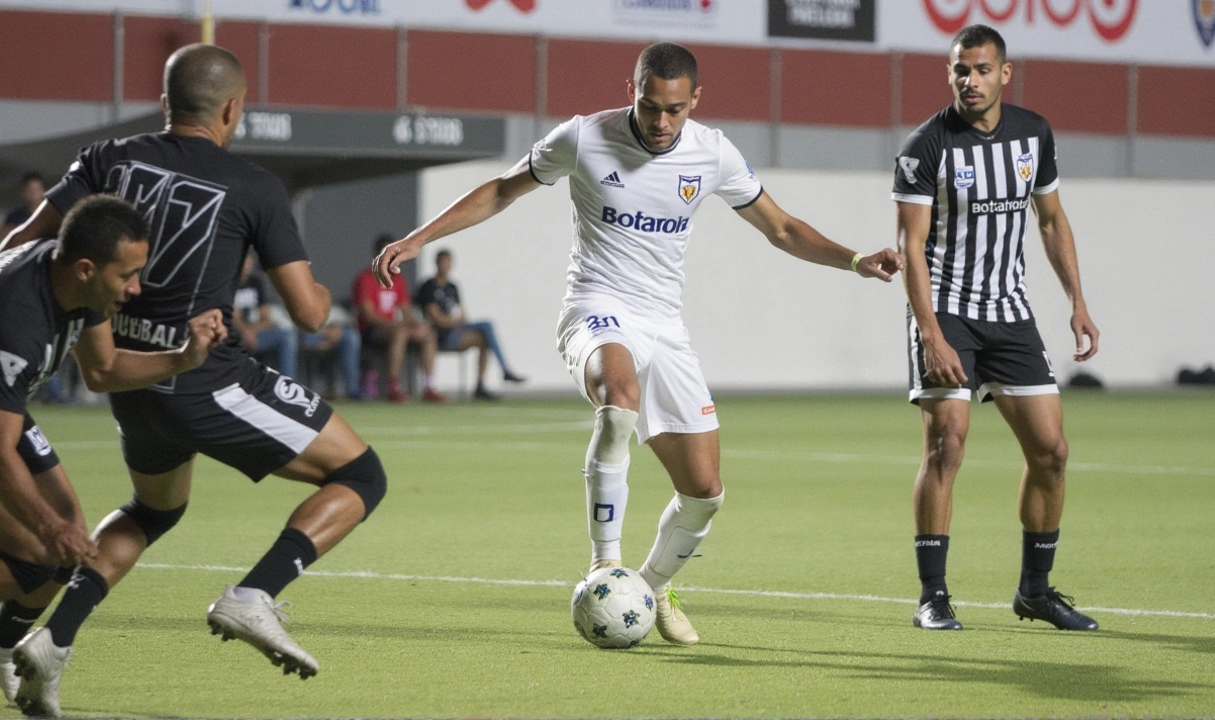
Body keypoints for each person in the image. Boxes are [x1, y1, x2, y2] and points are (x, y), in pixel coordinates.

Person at [374, 42, 902, 645]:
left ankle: (649, 587)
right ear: (632, 90)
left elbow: (781, 228)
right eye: (650, 106)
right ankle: (604, 563)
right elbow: (501, 189)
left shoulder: (713, 153)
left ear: (694, 101)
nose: (660, 122)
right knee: (617, 397)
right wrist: (420, 239)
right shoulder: (583, 138)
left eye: (674, 110)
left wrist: (856, 260)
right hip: (596, 308)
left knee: (704, 492)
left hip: (664, 326)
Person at [0, 44, 389, 714]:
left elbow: (21, 245)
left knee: (155, 509)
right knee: (361, 475)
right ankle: (253, 594)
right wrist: (322, 291)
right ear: (234, 107)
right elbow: (308, 313)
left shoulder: (105, 159)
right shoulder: (255, 186)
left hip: (124, 378)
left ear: (164, 100)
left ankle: (52, 640)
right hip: (206, 377)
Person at [0, 195, 225, 707]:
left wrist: (184, 358)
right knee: (38, 552)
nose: (135, 289)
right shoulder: (18, 320)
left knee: (70, 536)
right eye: (128, 275)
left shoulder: (74, 283)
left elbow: (104, 369)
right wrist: (48, 528)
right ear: (88, 268)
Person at [892, 25, 1100, 632]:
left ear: (1004, 73)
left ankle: (1035, 592)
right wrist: (929, 333)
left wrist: (1077, 301)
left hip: (1010, 312)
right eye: (961, 70)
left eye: (982, 70)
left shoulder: (1033, 134)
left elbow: (1052, 220)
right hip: (947, 309)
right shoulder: (925, 145)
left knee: (1052, 453)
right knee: (945, 444)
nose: (970, 80)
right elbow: (911, 244)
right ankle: (933, 596)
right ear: (950, 73)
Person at [416, 249, 526, 400]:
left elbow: (463, 315)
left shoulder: (453, 287)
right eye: (443, 262)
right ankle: (505, 370)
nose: (446, 266)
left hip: (455, 331)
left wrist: (454, 321)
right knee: (486, 326)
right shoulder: (428, 287)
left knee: (485, 335)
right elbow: (436, 318)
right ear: (437, 264)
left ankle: (480, 386)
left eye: (449, 263)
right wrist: (453, 320)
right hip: (438, 334)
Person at [354, 235, 447, 403]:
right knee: (400, 333)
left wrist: (415, 326)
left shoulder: (398, 280)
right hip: (371, 331)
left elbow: (406, 312)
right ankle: (393, 386)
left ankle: (429, 386)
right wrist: (396, 325)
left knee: (427, 333)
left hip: (395, 328)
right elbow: (369, 316)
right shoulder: (365, 279)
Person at [233, 251, 299, 375]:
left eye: (248, 261)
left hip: (254, 333)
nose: (245, 265)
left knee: (287, 336)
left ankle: (287, 385)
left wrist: (253, 330)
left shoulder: (256, 282)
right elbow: (233, 317)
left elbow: (265, 316)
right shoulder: (228, 282)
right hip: (233, 333)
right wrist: (245, 331)